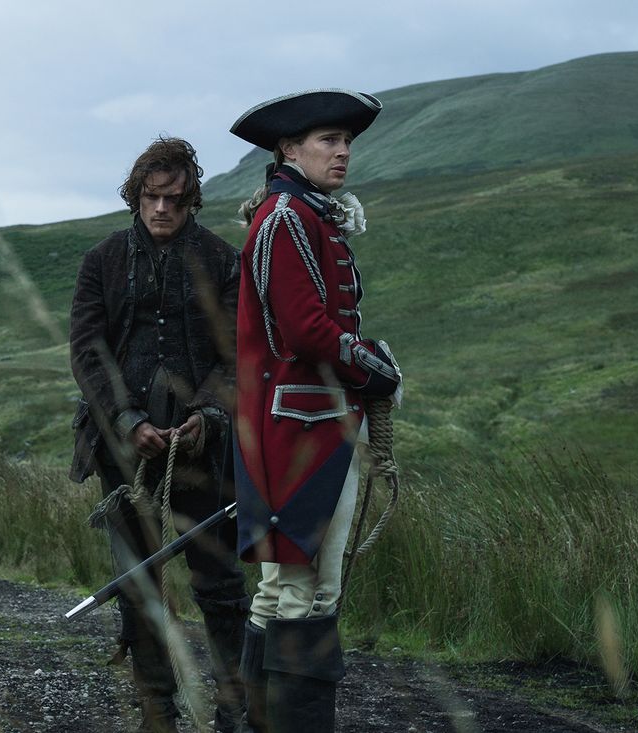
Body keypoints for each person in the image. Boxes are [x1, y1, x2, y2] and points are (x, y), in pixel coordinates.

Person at [228, 89, 403, 732]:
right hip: (304, 428)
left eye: (347, 141)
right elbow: (305, 332)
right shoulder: (288, 218)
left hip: (299, 422)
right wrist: (375, 368)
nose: (343, 152)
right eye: (329, 140)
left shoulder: (303, 215)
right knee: (310, 590)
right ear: (289, 149)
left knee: (280, 589)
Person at [68, 137, 250, 733]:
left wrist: (209, 415)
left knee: (220, 583)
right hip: (123, 450)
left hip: (203, 446)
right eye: (151, 197)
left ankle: (235, 711)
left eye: (174, 198)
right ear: (136, 197)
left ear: (191, 199)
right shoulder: (102, 261)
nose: (162, 208)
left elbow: (238, 355)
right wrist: (126, 421)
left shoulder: (223, 261)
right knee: (138, 584)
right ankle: (157, 712)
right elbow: (88, 353)